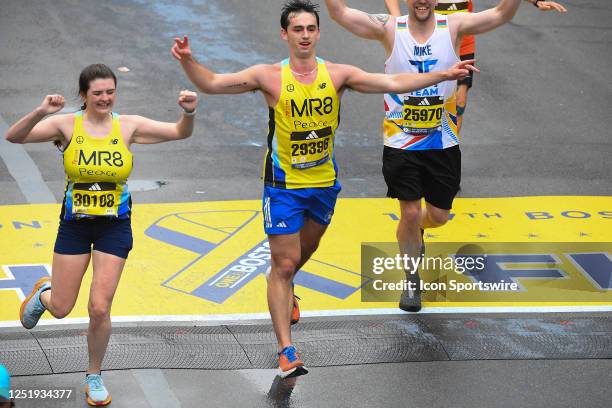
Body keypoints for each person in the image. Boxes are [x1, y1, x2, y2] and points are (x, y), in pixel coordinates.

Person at [172, 0, 475, 378]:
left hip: (323, 185)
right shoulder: (268, 76)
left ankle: (286, 289)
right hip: (282, 187)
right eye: (296, 29)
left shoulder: (338, 74)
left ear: (318, 33)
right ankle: (286, 349)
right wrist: (187, 60)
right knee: (282, 265)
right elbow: (214, 83)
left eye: (310, 29)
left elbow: (395, 82)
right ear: (285, 34)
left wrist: (442, 74)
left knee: (303, 252)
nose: (304, 35)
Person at [325, 0, 566, 313]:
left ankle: (418, 231)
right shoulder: (389, 28)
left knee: (437, 216)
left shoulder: (452, 25)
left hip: (442, 143)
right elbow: (340, 13)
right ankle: (411, 279)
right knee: (409, 213)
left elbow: (500, 14)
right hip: (401, 142)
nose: (422, 1)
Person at [6, 64, 198, 406]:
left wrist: (189, 112)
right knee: (63, 308)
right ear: (84, 95)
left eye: (110, 91)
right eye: (97, 93)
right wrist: (40, 111)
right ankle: (44, 295)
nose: (105, 98)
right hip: (75, 226)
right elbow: (14, 137)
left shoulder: (128, 126)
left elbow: (179, 133)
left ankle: (93, 374)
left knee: (99, 307)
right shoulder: (67, 125)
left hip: (114, 226)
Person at [383, 0, 566, 134]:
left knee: (459, 102)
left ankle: (450, 148)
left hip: (463, 42)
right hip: (431, 41)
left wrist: (535, 1)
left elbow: (501, 11)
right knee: (427, 96)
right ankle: (421, 144)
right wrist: (399, 21)